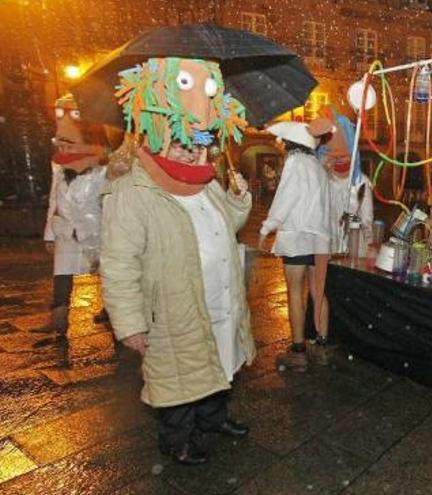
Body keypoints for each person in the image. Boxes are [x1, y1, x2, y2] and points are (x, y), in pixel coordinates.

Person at [101, 57, 254, 465]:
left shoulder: (205, 184)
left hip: (221, 300)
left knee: (221, 365)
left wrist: (238, 198)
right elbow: (118, 263)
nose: (192, 154)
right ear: (158, 138)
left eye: (199, 145)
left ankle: (214, 419)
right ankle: (177, 441)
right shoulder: (132, 193)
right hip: (174, 309)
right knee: (178, 381)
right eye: (184, 144)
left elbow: (228, 225)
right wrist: (130, 324)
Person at [259, 120, 333, 371]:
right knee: (318, 291)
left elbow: (286, 197)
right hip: (319, 237)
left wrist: (267, 226)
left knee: (294, 290)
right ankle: (322, 346)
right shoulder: (317, 166)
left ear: (291, 143)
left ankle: (299, 351)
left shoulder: (295, 162)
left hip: (298, 235)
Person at [35, 95, 111, 338]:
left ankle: (113, 311)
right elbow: (54, 198)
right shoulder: (58, 164)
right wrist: (50, 233)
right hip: (66, 228)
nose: (64, 150)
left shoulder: (103, 166)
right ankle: (59, 319)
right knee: (62, 274)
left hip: (95, 228)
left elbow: (108, 200)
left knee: (107, 272)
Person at [319, 107, 374, 256]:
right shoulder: (323, 181)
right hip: (327, 250)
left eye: (343, 156)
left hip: (354, 250)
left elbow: (367, 219)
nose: (339, 160)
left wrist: (369, 245)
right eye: (334, 157)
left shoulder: (361, 182)